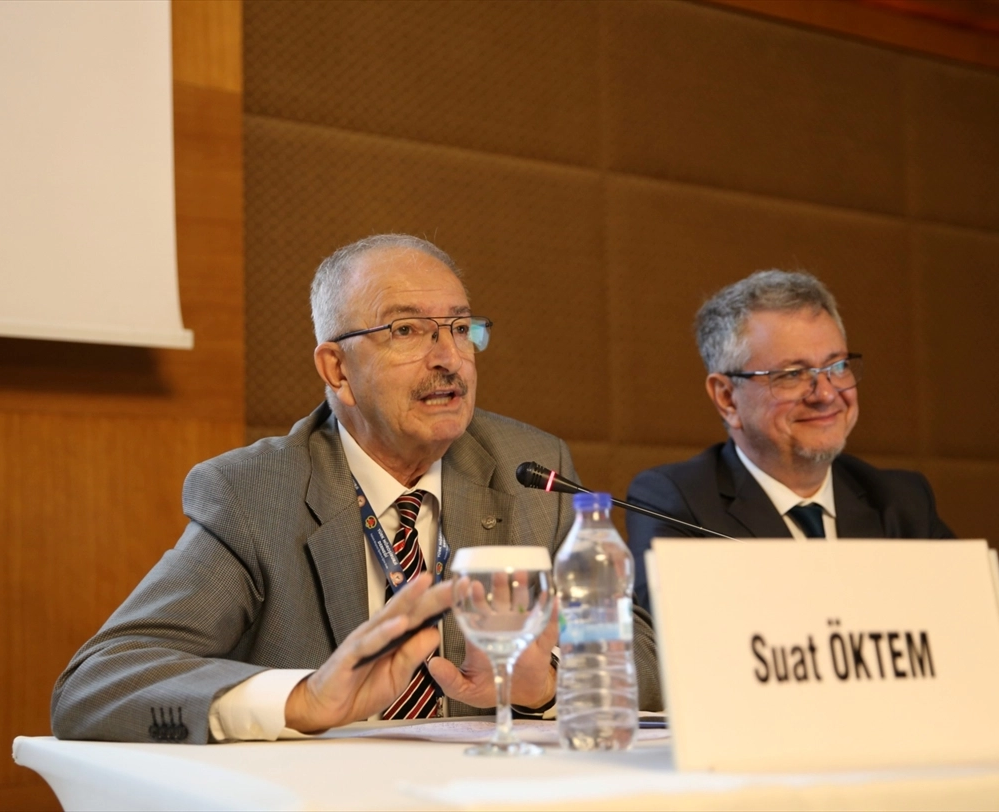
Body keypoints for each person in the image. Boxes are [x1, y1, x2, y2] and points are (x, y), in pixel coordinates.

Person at [52, 234, 662, 743]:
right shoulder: (256, 494)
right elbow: (97, 684)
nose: (449, 358)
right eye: (407, 330)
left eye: (459, 328)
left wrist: (552, 681)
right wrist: (303, 699)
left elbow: (647, 653)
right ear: (336, 369)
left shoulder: (528, 470)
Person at [626, 270, 999, 700]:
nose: (826, 393)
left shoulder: (899, 501)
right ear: (726, 397)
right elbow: (687, 660)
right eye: (792, 374)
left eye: (837, 366)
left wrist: (992, 652)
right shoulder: (676, 500)